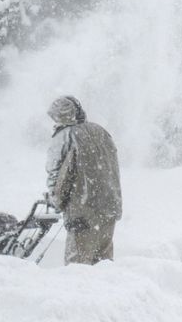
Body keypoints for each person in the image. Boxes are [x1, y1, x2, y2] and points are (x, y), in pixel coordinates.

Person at [46, 96, 122, 265]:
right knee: (104, 263)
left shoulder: (65, 136)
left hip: (82, 210)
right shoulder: (101, 131)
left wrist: (56, 199)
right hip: (109, 207)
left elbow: (58, 174)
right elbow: (112, 169)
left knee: (78, 266)